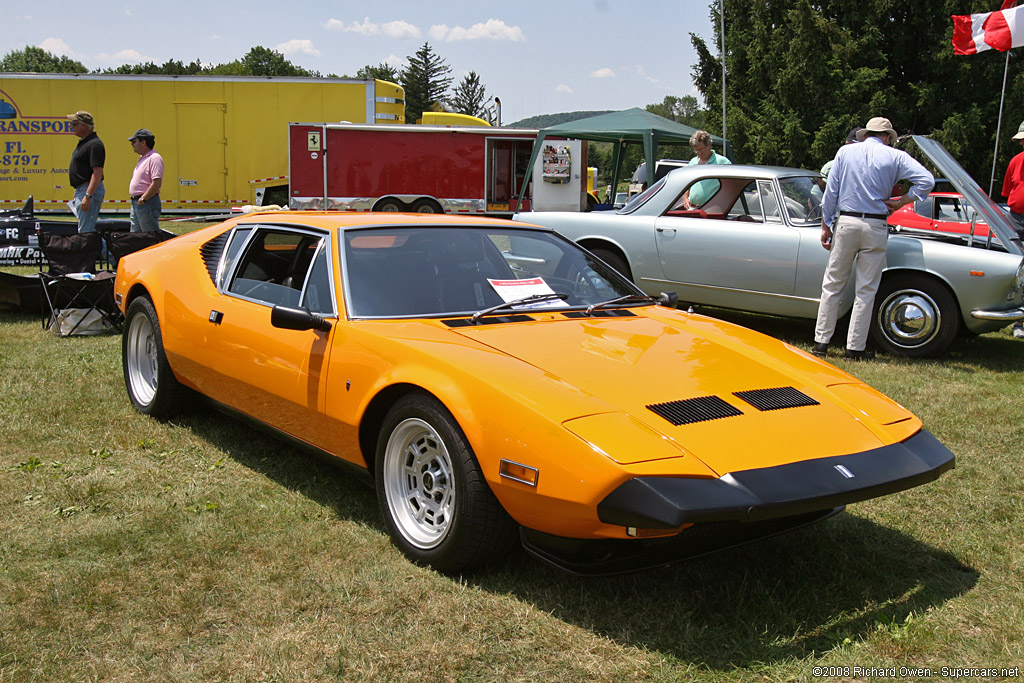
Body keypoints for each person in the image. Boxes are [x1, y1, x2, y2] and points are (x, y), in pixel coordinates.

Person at [812, 117, 934, 360]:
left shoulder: (845, 153)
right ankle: (854, 348)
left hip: (846, 221)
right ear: (887, 136)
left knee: (833, 283)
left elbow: (831, 193)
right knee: (866, 290)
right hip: (876, 224)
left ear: (866, 134)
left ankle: (821, 342)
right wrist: (903, 201)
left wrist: (826, 226)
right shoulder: (895, 156)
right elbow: (927, 181)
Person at [1000, 122, 1024, 338]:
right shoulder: (1016, 161)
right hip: (1015, 219)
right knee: (1015, 269)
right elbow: (1008, 193)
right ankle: (1018, 321)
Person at [66, 111, 105, 233]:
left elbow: (97, 172)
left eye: (74, 124)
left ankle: (102, 252)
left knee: (86, 231)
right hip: (83, 189)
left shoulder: (94, 144)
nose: (72, 127)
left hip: (88, 190)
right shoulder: (85, 143)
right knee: (85, 228)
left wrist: (88, 196)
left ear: (83, 125)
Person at [682, 130, 731, 209]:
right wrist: (685, 198)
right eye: (696, 150)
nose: (699, 153)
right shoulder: (692, 162)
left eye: (702, 149)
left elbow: (730, 188)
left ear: (709, 145)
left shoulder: (722, 162)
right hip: (692, 208)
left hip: (713, 209)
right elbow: (687, 185)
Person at [127, 128, 164, 232]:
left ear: (143, 142)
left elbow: (156, 183)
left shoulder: (154, 158)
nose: (132, 144)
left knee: (149, 235)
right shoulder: (143, 158)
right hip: (138, 202)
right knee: (136, 237)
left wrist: (143, 199)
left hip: (147, 202)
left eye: (134, 141)